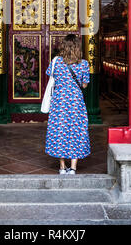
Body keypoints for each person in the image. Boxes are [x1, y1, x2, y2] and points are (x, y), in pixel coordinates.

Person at [45, 34, 91, 175]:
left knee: (60, 131)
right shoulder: (83, 64)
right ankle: (73, 168)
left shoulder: (56, 62)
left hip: (59, 101)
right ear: (77, 47)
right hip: (76, 102)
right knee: (76, 131)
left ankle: (62, 167)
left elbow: (51, 76)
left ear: (63, 47)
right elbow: (84, 85)